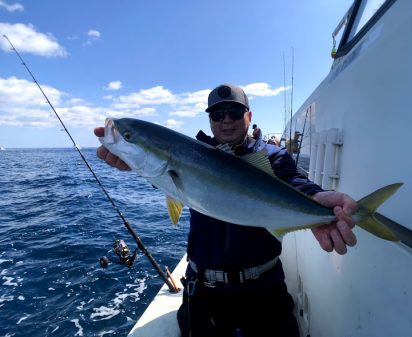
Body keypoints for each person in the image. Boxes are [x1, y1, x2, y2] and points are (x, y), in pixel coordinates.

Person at [94, 83, 358, 337]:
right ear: (210, 120)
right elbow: (161, 173)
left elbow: (292, 180)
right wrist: (132, 160)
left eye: (234, 112)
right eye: (218, 114)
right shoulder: (193, 155)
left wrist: (314, 197)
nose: (226, 120)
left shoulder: (271, 157)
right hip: (204, 293)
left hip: (264, 291)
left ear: (249, 115)